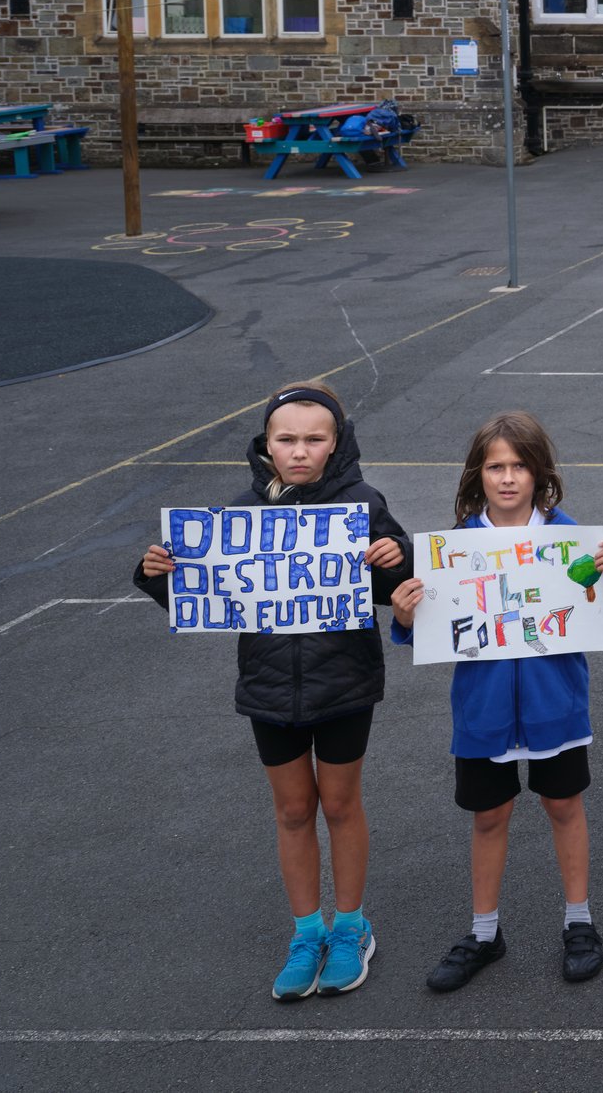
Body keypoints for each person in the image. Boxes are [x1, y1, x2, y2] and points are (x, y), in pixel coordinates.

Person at [133, 383, 410, 1000]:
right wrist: (160, 577)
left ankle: (350, 927)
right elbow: (205, 598)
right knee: (291, 812)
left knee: (339, 805)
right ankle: (306, 931)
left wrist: (395, 557)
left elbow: (402, 587)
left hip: (344, 682)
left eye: (316, 439)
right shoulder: (239, 512)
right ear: (267, 444)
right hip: (268, 686)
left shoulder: (362, 503)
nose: (301, 451)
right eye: (288, 439)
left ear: (337, 443)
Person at [389, 412, 603, 992]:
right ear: (479, 474)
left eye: (520, 465)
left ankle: (579, 921)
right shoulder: (453, 549)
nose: (508, 477)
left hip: (556, 706)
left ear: (539, 472)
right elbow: (424, 626)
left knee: (563, 807)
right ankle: (485, 932)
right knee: (489, 816)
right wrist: (402, 616)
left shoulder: (569, 536)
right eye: (496, 466)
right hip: (483, 711)